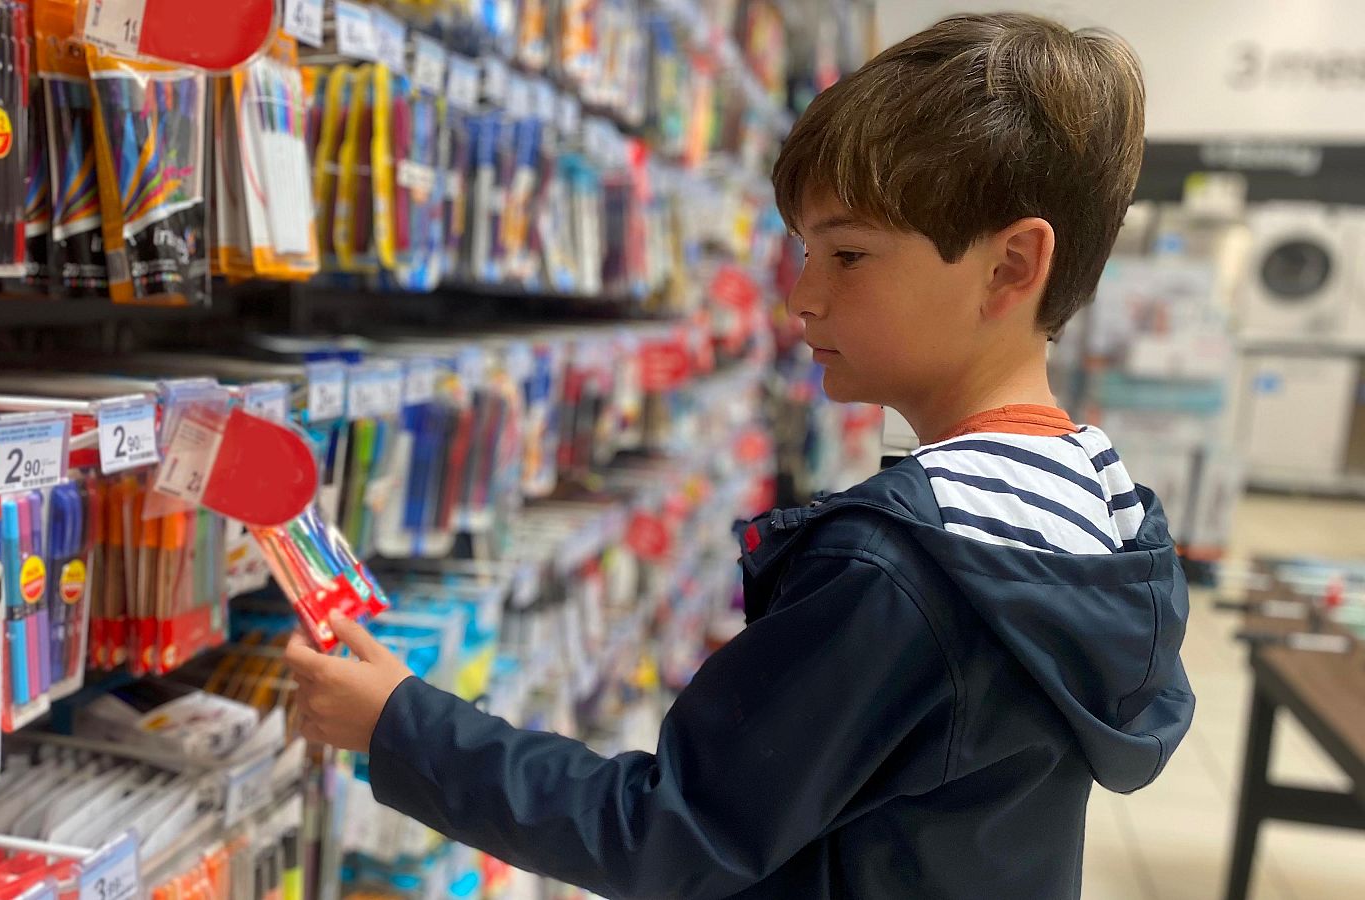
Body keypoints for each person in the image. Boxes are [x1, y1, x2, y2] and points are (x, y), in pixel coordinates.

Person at [285, 13, 1195, 899]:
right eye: (805, 249)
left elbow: (664, 835)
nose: (802, 296)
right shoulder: (1100, 506)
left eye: (848, 254)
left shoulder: (904, 570)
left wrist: (400, 725)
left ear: (1009, 266)